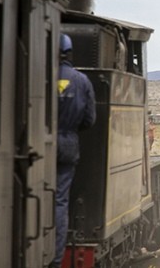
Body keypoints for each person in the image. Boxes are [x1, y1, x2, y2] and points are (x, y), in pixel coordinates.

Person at [53, 34, 96, 268]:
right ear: (69, 53)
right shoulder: (81, 81)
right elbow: (89, 119)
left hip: (38, 142)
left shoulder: (36, 75)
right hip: (68, 144)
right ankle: (56, 259)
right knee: (60, 201)